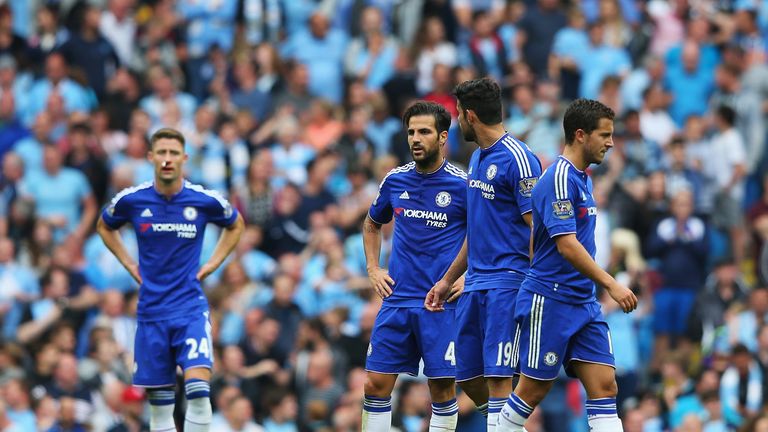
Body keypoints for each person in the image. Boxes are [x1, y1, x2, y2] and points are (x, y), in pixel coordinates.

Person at [495, 99, 637, 432]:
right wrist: (611, 284)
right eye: (604, 135)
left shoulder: (583, 179)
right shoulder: (557, 177)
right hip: (551, 299)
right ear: (580, 134)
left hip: (582, 302)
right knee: (534, 389)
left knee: (605, 386)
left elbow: (537, 240)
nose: (611, 142)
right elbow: (567, 245)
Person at [97, 127, 245, 432]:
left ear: (184, 158)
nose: (167, 159)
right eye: (161, 152)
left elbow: (236, 224)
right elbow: (104, 225)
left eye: (173, 153)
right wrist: (129, 264)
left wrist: (213, 264)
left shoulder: (202, 199)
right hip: (151, 314)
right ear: (151, 157)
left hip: (190, 309)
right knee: (161, 408)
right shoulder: (133, 200)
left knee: (199, 392)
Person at [426, 77, 542, 432]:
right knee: (470, 378)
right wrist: (447, 279)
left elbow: (539, 228)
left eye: (459, 114)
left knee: (497, 379)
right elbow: (476, 231)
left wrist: (533, 284)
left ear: (470, 115)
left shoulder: (520, 160)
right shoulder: (477, 158)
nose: (458, 122)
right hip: (474, 283)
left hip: (507, 284)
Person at [362, 101, 467, 432]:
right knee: (375, 385)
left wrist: (469, 277)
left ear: (442, 137)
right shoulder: (395, 180)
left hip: (440, 304)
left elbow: (488, 236)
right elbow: (370, 224)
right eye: (411, 132)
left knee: (441, 389)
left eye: (424, 131)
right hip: (397, 300)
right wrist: (373, 269)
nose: (415, 139)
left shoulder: (463, 184)